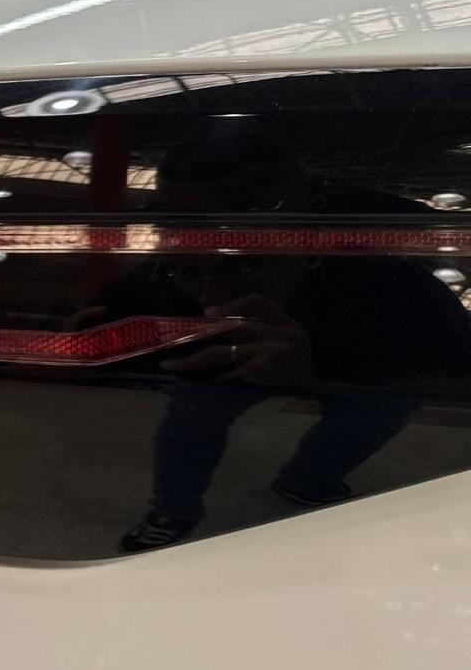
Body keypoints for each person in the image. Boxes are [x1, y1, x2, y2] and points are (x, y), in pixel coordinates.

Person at [109, 120, 471, 552]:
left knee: (381, 407)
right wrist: (114, 306)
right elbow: (144, 285)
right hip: (230, 346)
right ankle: (174, 510)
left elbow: (443, 352)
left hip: (347, 347)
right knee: (194, 410)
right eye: (179, 216)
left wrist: (323, 368)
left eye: (238, 210)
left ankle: (305, 479)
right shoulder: (174, 254)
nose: (213, 234)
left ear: (303, 199)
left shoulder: (379, 260)